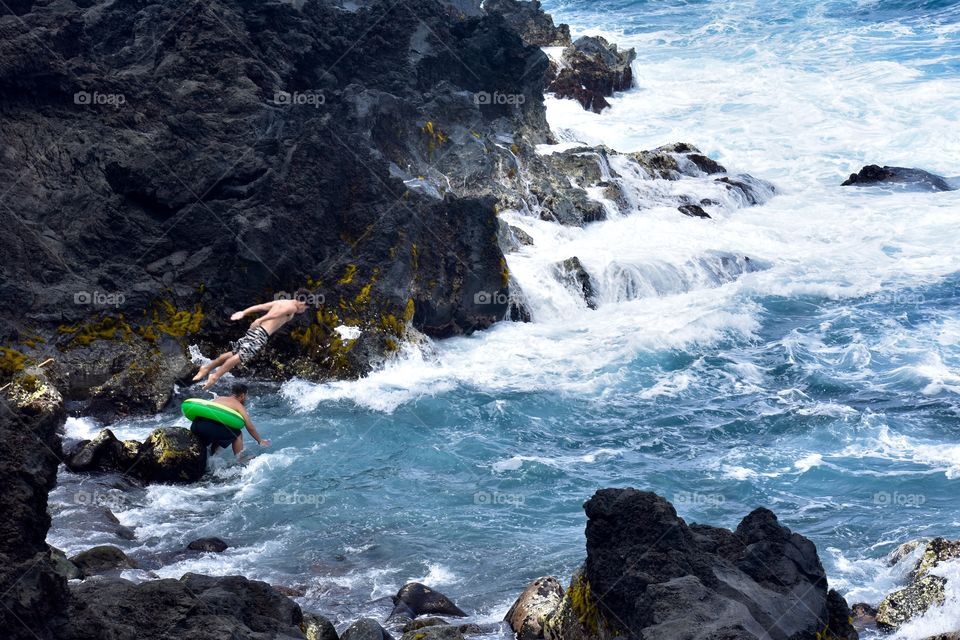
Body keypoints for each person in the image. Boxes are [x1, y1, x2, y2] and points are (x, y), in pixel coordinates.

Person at [192, 293, 309, 390]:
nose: (303, 310)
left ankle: (207, 368)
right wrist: (260, 319)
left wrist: (244, 312)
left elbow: (261, 307)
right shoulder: (292, 307)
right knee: (240, 356)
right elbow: (275, 314)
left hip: (257, 330)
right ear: (302, 302)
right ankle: (215, 376)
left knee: (234, 352)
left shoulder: (282, 302)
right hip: (261, 333)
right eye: (305, 308)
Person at [190, 383, 271, 456]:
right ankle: (240, 458)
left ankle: (212, 455)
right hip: (211, 429)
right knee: (237, 434)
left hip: (197, 425)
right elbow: (250, 427)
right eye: (246, 395)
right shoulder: (239, 405)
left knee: (221, 427)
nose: (247, 398)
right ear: (242, 395)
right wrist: (260, 440)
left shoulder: (219, 398)